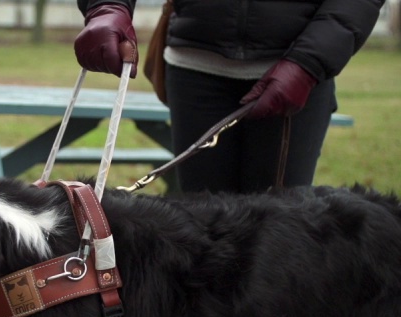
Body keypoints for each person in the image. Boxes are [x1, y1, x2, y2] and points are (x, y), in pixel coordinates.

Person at [74, 0, 385, 194]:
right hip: (193, 67)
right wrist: (107, 5)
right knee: (201, 233)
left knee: (281, 235)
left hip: (296, 67)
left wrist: (309, 62)